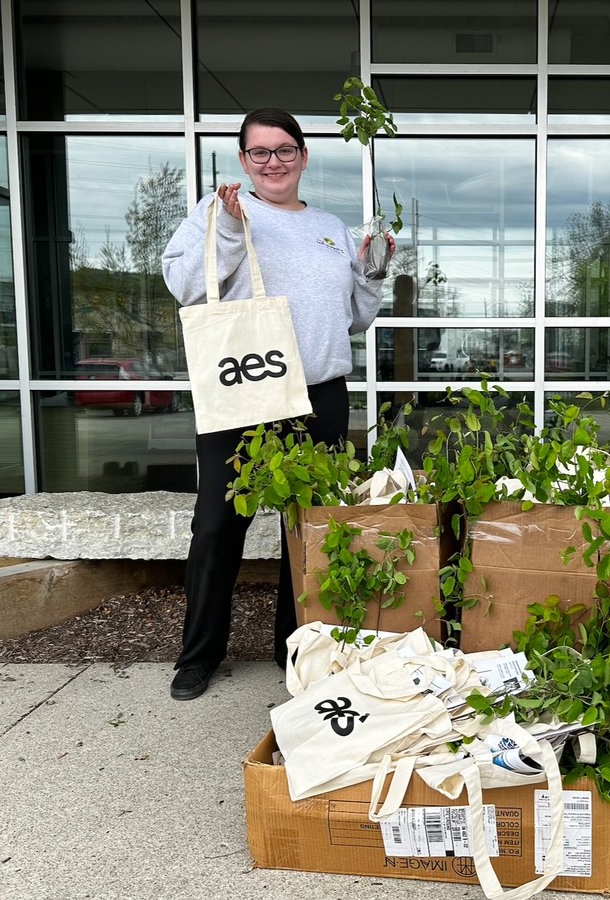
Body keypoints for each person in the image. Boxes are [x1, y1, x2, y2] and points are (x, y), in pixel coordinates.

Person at [161, 107, 392, 700]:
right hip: (242, 390)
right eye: (259, 152)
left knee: (308, 527)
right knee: (217, 525)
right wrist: (234, 229)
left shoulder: (330, 227)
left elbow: (355, 321)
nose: (273, 162)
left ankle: (296, 646)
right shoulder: (217, 213)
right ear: (243, 161)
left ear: (303, 157)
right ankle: (199, 655)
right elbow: (186, 286)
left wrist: (371, 271)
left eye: (284, 150)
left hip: (318, 395)